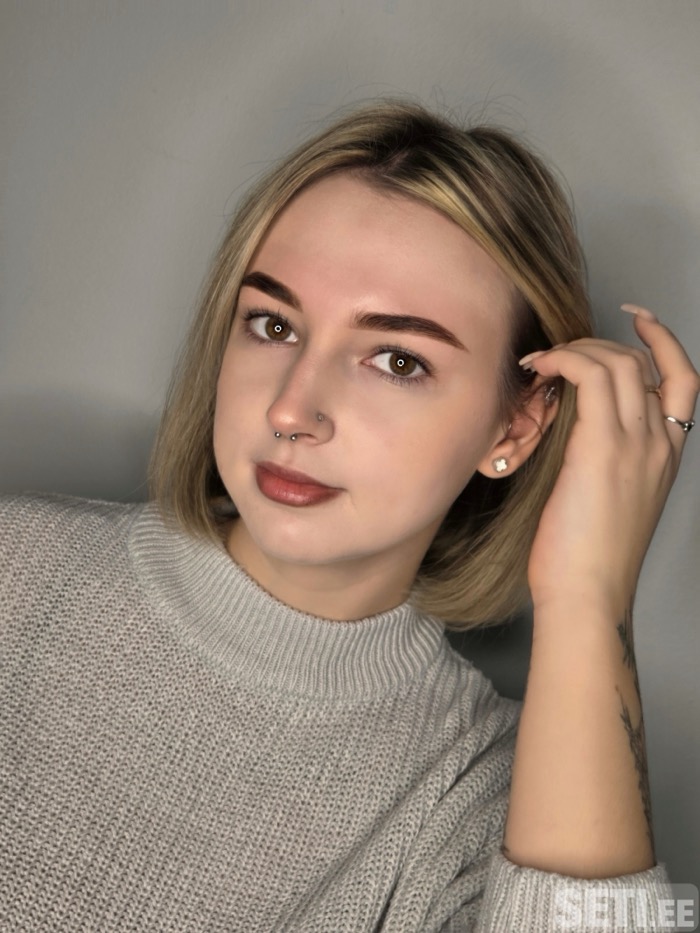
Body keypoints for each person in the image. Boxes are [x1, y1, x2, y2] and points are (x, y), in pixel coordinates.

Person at [0, 100, 697, 931]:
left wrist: (590, 595)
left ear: (515, 426)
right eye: (273, 324)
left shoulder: (502, 794)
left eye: (397, 360)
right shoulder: (16, 569)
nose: (293, 409)